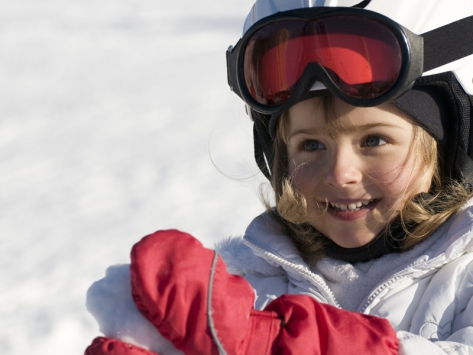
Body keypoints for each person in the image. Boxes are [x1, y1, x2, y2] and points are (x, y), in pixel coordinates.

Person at [84, 0, 473, 354]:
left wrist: (279, 343)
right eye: (311, 146)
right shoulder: (247, 287)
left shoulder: (464, 279)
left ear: (452, 146)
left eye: (373, 140)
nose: (340, 173)